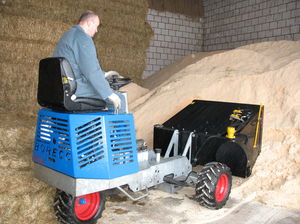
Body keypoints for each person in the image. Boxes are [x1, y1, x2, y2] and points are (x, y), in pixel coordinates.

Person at [53, 11, 125, 113]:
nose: (96, 30)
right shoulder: (83, 38)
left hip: (61, 86)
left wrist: (104, 74)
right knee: (119, 98)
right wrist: (108, 93)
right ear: (89, 23)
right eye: (96, 26)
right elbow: (90, 71)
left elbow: (79, 66)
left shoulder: (68, 35)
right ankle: (118, 128)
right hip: (75, 87)